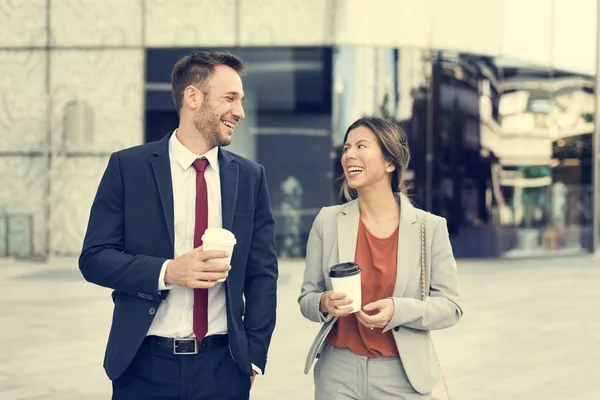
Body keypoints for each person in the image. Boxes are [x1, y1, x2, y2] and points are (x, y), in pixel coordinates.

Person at [79, 50, 278, 400]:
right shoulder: (128, 167)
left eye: (241, 100)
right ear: (192, 97)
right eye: (230, 98)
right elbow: (94, 258)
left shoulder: (251, 177)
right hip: (142, 367)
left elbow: (263, 274)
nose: (240, 112)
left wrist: (254, 357)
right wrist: (169, 272)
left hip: (224, 369)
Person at [298, 117, 462, 399]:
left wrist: (398, 310)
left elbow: (450, 307)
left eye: (361, 146)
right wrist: (324, 302)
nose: (349, 154)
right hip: (338, 373)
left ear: (390, 163)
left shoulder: (429, 227)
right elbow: (307, 299)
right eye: (347, 147)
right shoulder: (327, 221)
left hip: (402, 375)